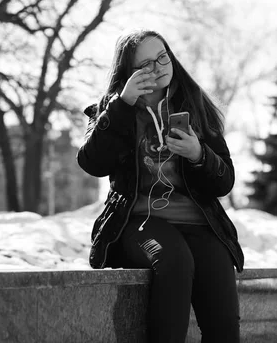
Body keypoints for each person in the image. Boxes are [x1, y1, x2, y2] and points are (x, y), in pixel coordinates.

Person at [77, 29, 244, 343]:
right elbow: (92, 163)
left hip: (200, 225)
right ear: (130, 74)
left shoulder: (195, 106)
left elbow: (225, 181)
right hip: (139, 223)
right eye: (146, 65)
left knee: (219, 284)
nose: (158, 67)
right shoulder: (111, 110)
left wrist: (198, 155)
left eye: (162, 56)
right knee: (175, 260)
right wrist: (122, 105)